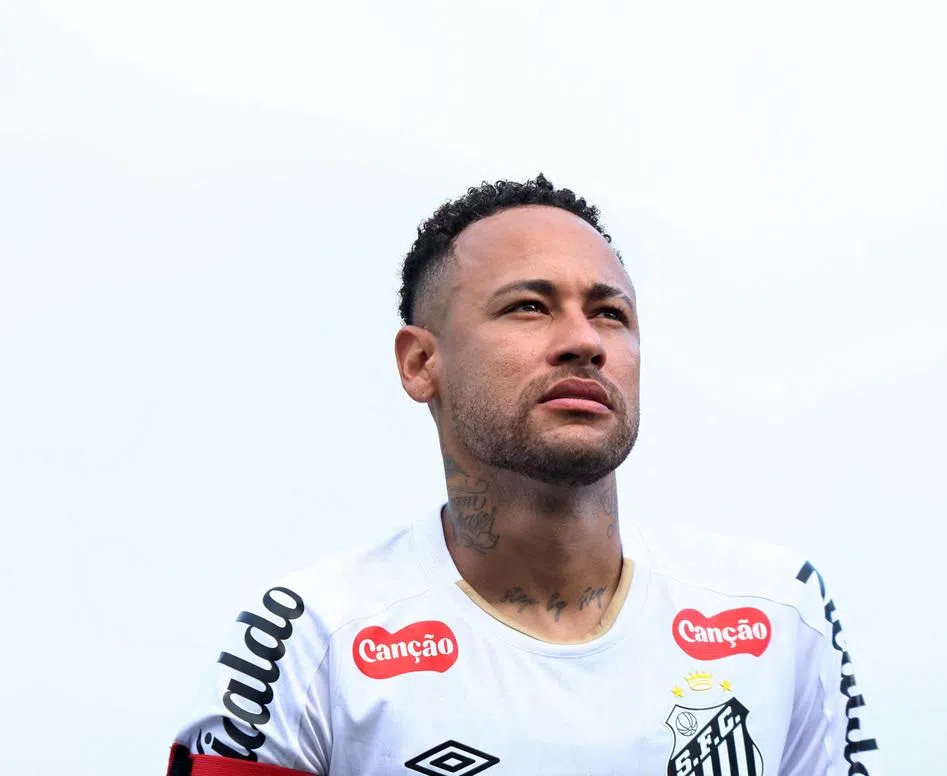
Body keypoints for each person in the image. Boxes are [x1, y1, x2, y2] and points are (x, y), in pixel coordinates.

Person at [166, 174, 885, 776]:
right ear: (421, 363)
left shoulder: (779, 613)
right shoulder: (315, 638)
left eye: (611, 314)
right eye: (530, 308)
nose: (583, 342)